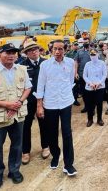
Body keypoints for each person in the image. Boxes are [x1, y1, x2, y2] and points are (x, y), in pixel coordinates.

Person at [0, 43, 32, 188]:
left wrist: (19, 102)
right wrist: (7, 105)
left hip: (17, 114)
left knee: (17, 145)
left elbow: (28, 87)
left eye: (14, 52)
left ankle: (14, 170)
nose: (11, 55)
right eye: (7, 52)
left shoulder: (21, 69)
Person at [36, 40, 77, 176]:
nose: (58, 52)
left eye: (61, 49)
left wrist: (66, 94)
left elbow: (71, 81)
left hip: (65, 102)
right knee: (52, 133)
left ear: (65, 50)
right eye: (55, 49)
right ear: (51, 50)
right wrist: (39, 105)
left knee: (67, 132)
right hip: (51, 104)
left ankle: (69, 164)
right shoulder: (45, 65)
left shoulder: (70, 62)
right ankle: (55, 155)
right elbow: (40, 85)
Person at [20, 41, 49, 165]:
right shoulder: (21, 66)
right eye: (31, 50)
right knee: (26, 127)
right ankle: (25, 151)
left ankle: (45, 146)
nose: (34, 51)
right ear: (26, 53)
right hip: (28, 100)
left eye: (36, 49)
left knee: (44, 124)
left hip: (44, 100)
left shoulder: (46, 63)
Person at [83, 49, 107, 127]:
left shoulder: (102, 63)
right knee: (89, 105)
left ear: (98, 55)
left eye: (94, 55)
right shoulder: (87, 64)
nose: (93, 57)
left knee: (99, 104)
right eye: (91, 55)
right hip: (89, 88)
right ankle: (90, 119)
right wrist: (90, 83)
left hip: (100, 87)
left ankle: (99, 119)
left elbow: (104, 74)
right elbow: (84, 76)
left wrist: (99, 83)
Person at [74, 40, 91, 113]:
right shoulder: (79, 51)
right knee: (84, 92)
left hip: (90, 76)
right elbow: (76, 62)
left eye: (87, 41)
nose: (85, 43)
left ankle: (91, 108)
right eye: (84, 41)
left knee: (90, 92)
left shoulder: (93, 51)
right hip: (81, 74)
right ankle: (86, 107)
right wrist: (76, 73)